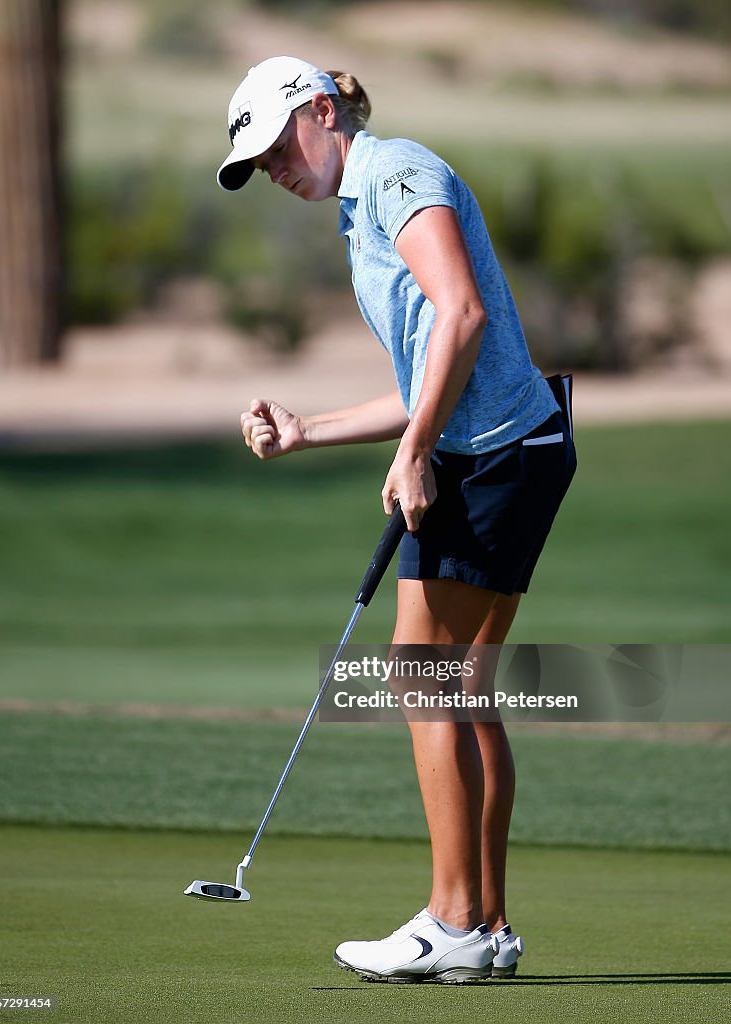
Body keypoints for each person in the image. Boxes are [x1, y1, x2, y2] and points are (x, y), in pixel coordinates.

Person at [221, 56, 576, 984]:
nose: (274, 171)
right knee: (458, 689)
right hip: (506, 449)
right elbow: (432, 368)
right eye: (257, 166)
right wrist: (309, 432)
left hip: (493, 456)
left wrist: (416, 448)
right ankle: (487, 930)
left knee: (420, 678)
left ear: (323, 111)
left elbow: (460, 314)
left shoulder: (396, 172)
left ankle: (453, 920)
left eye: (276, 147)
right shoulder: (360, 205)